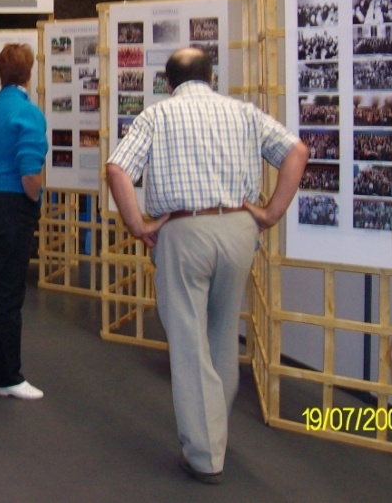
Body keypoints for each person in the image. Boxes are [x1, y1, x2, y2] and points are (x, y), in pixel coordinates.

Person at [106, 47, 308, 483]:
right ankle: (216, 430)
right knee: (220, 334)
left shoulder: (156, 117)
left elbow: (118, 169)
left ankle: (204, 455)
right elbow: (298, 152)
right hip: (238, 229)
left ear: (167, 82)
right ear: (211, 76)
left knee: (188, 341)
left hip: (185, 231)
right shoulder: (244, 113)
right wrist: (270, 213)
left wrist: (138, 224)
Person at [0, 43, 48, 400]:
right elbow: (31, 172)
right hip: (11, 207)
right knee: (10, 292)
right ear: (29, 74)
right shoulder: (28, 113)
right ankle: (9, 377)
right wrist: (34, 201)